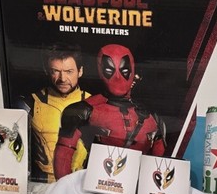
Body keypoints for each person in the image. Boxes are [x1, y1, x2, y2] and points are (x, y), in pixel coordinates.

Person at [54, 43, 165, 178]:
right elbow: (63, 158)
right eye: (109, 70)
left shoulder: (152, 117)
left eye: (124, 70)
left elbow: (160, 165)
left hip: (136, 186)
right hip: (97, 184)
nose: (117, 77)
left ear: (132, 71)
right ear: (100, 71)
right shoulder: (82, 110)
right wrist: (67, 188)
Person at [22, 45, 90, 183]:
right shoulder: (31, 103)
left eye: (69, 71)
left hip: (80, 182)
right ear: (47, 71)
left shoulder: (94, 103)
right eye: (56, 71)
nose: (62, 78)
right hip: (41, 183)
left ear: (80, 71)